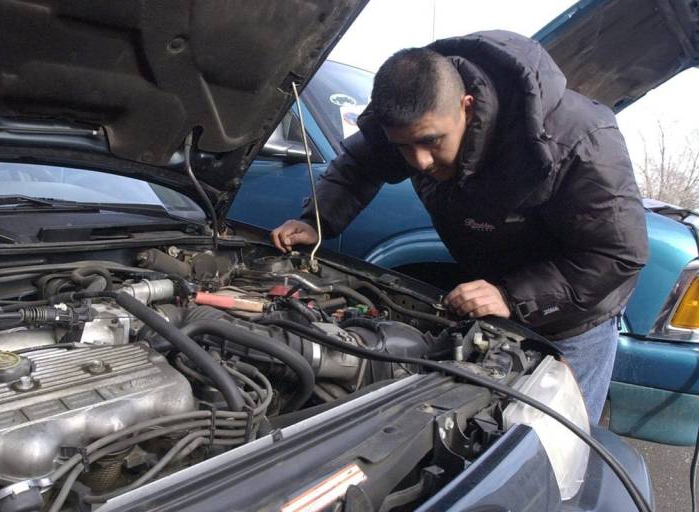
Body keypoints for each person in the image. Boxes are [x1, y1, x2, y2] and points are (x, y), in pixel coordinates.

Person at [270, 31, 648, 421]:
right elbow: (358, 165)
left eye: (431, 141)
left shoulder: (578, 141)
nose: (418, 161)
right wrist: (318, 220)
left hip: (570, 321)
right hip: (491, 301)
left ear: (467, 105)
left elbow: (617, 253)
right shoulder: (413, 121)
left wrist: (512, 297)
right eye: (403, 147)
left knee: (554, 443)